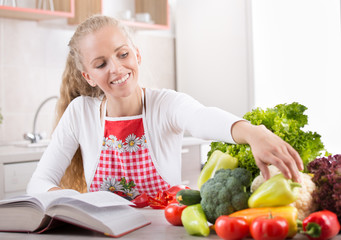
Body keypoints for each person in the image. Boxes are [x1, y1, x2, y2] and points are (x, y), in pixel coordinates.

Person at [27, 15, 303, 198]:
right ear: (88, 76)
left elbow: (202, 117)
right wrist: (76, 202)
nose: (117, 68)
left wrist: (254, 133)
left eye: (123, 54)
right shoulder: (80, 113)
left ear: (137, 54)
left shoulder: (165, 105)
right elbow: (38, 183)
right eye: (101, 64)